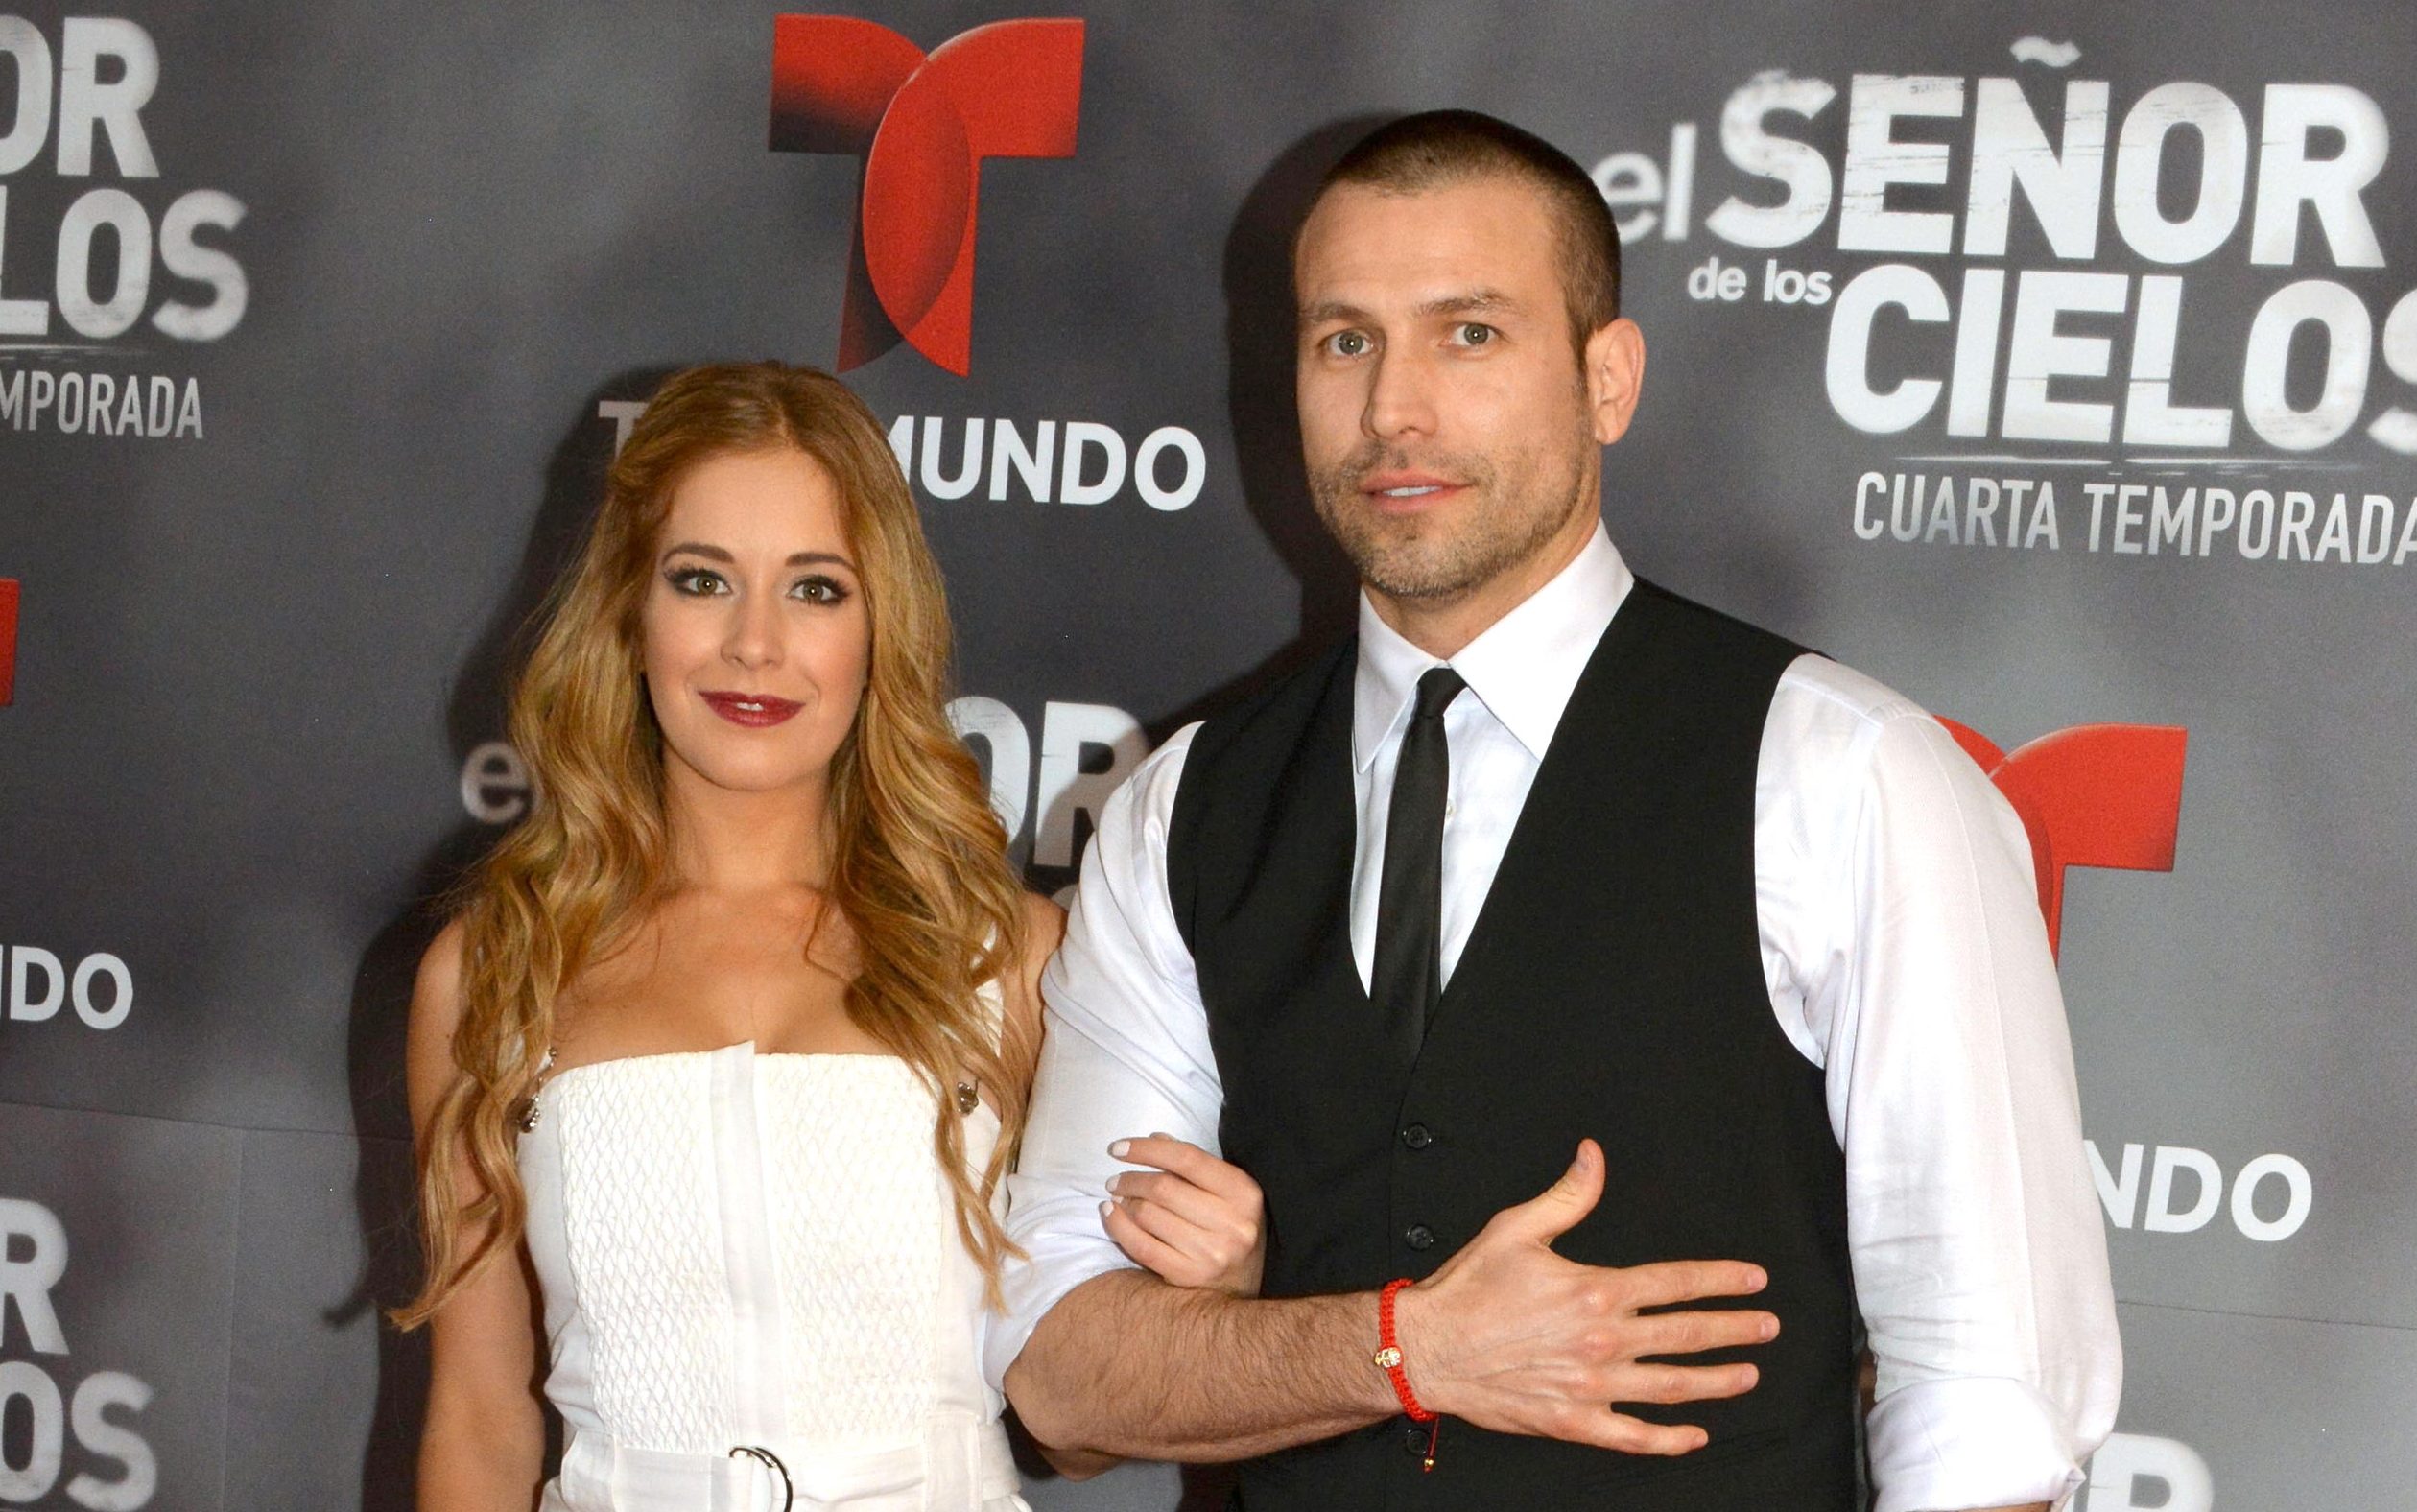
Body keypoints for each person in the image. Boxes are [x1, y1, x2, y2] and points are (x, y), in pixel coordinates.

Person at [990, 112, 2121, 1510]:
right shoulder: (1183, 811)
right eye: (1343, 341)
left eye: (1467, 334)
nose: (1393, 407)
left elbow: (1988, 1410)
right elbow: (1061, 1378)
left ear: (1606, 377)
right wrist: (1400, 1351)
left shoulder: (1844, 775)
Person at [393, 362, 1265, 1511]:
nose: (755, 644)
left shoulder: (1011, 957)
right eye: (702, 580)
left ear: (878, 623)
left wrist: (1223, 1285)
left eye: (815, 589)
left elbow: (1082, 1434)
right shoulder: (496, 971)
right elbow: (478, 1416)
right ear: (627, 607)